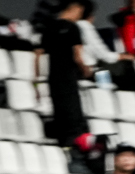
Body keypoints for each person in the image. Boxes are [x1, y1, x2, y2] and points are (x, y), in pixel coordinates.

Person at [39, 0, 93, 149]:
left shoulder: (48, 27)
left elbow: (39, 54)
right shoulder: (73, 28)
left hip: (53, 77)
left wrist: (36, 80)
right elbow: (77, 56)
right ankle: (75, 146)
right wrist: (86, 70)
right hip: (68, 77)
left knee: (59, 110)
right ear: (75, 8)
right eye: (80, 13)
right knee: (73, 113)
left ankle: (64, 144)